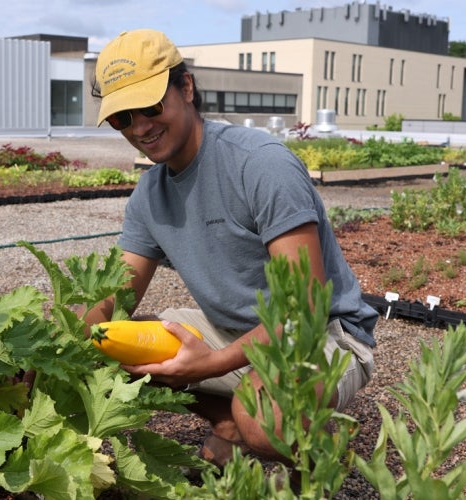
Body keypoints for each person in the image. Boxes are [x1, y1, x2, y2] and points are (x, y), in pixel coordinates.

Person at [85, 28, 378, 468]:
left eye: (149, 106)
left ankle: (311, 468)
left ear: (186, 87)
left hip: (324, 332)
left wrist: (213, 362)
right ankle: (228, 426)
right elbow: (112, 296)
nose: (140, 127)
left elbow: (305, 306)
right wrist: (58, 347)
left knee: (264, 416)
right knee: (114, 342)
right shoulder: (149, 194)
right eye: (121, 118)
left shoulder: (259, 163)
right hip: (235, 328)